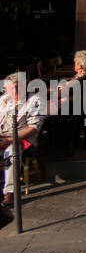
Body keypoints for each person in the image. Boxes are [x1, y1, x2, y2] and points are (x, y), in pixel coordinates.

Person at [0, 72, 45, 209]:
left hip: (22, 139)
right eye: (11, 88)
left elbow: (33, 128)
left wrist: (9, 139)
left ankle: (9, 193)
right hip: (2, 136)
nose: (14, 91)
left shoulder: (34, 100)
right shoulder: (3, 100)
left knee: (11, 152)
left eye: (17, 87)